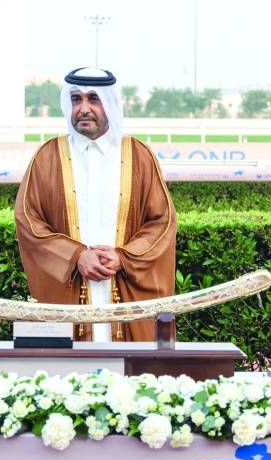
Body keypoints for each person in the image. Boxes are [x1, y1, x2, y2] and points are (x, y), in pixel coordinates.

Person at [15, 67, 177, 342]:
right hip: (69, 293)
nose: (84, 108)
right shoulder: (48, 157)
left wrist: (123, 257)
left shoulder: (139, 155)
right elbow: (29, 221)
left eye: (94, 99)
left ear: (110, 104)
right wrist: (76, 256)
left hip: (124, 290)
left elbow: (161, 222)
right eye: (76, 99)